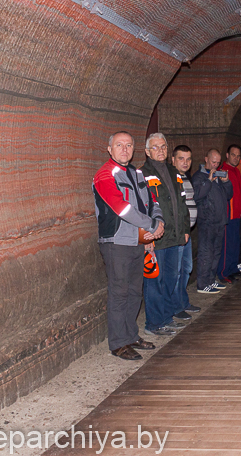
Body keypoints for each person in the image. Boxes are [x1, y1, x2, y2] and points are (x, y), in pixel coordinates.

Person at [93, 131, 164, 361]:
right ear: (109, 149)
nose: (125, 149)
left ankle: (131, 336)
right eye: (119, 145)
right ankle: (118, 343)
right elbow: (121, 208)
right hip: (116, 242)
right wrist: (151, 225)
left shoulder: (137, 173)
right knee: (119, 292)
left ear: (134, 149)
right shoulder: (104, 175)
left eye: (129, 145)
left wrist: (156, 226)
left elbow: (151, 201)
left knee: (135, 291)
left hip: (137, 241)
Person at [140, 133, 190, 337]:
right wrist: (146, 237)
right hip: (157, 238)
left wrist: (186, 229)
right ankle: (154, 322)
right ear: (147, 151)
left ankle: (167, 316)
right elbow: (142, 207)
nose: (160, 150)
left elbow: (183, 202)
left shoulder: (173, 171)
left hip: (175, 236)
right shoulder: (142, 174)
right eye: (155, 147)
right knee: (154, 281)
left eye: (163, 147)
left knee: (172, 277)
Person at [191, 149, 233, 294]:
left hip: (219, 221)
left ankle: (210, 280)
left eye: (218, 162)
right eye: (213, 162)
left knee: (216, 253)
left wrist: (226, 182)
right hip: (207, 221)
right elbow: (196, 196)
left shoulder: (217, 175)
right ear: (206, 159)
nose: (215, 165)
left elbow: (229, 195)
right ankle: (202, 284)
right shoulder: (199, 177)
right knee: (206, 253)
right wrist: (208, 180)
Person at [171, 144, 201, 319]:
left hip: (187, 231)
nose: (185, 162)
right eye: (181, 158)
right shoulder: (173, 178)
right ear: (173, 159)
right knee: (177, 270)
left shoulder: (185, 177)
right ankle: (176, 306)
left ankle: (183, 301)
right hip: (179, 232)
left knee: (187, 267)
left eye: (188, 159)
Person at [217, 144, 241, 281]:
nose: (236, 158)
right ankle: (224, 272)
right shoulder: (223, 170)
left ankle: (233, 268)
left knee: (235, 243)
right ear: (227, 155)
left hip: (237, 214)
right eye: (233, 155)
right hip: (229, 214)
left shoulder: (236, 170)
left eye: (238, 156)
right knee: (227, 245)